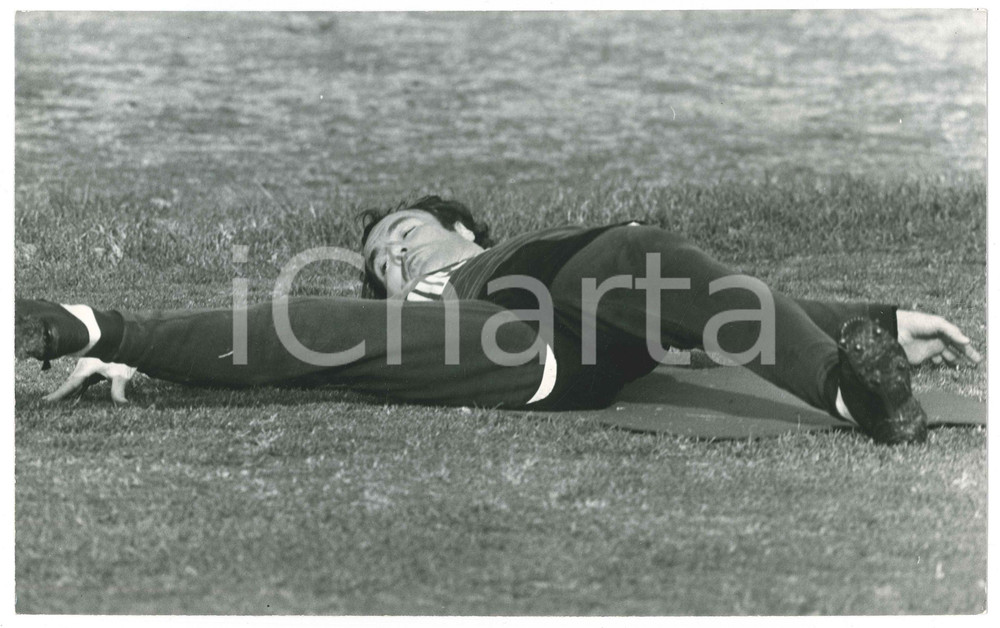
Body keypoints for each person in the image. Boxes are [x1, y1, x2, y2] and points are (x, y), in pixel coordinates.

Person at [15, 196, 981, 445]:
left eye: (400, 233)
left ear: (463, 226)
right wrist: (141, 366)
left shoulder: (529, 248)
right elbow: (290, 335)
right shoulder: (395, 305)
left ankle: (853, 387)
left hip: (599, 292)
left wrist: (878, 318)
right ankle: (92, 323)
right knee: (332, 331)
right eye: (378, 260)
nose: (389, 256)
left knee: (649, 257)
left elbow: (708, 299)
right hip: (523, 352)